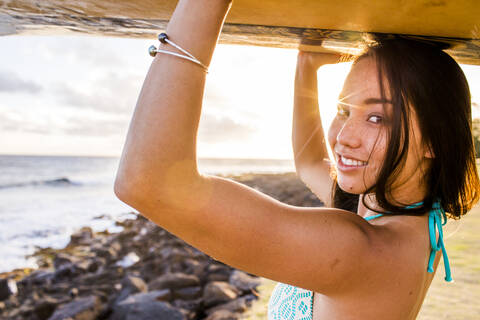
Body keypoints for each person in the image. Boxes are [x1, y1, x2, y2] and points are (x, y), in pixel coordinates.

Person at [113, 0, 480, 319]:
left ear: (435, 138)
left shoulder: (359, 250)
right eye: (343, 109)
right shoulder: (407, 216)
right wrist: (307, 62)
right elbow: (308, 163)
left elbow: (149, 182)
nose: (344, 137)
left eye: (377, 118)